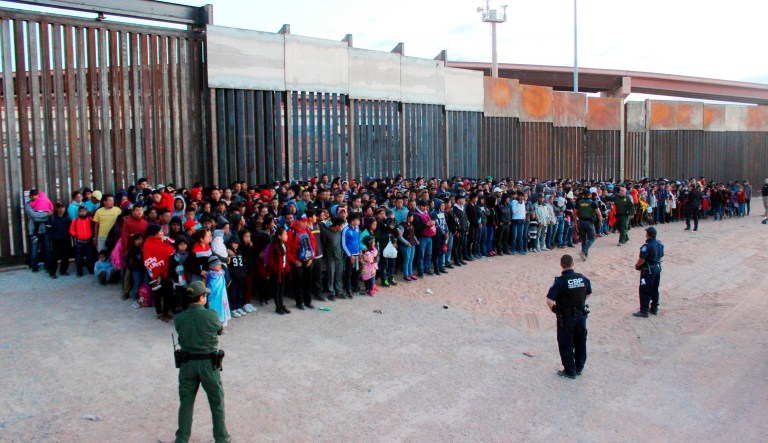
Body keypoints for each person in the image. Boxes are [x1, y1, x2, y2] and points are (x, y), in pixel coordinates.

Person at [173, 280, 230, 443]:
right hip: (208, 365)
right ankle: (221, 438)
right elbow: (218, 330)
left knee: (186, 403)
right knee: (216, 402)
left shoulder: (179, 318)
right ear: (201, 297)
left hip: (187, 364)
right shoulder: (212, 315)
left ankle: (182, 439)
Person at [546, 254, 592, 380]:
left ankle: (570, 371)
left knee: (566, 343)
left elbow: (549, 301)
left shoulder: (560, 281)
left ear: (561, 265)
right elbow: (589, 293)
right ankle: (579, 368)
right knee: (580, 342)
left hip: (566, 318)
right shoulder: (582, 278)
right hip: (581, 315)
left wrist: (556, 310)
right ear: (573, 264)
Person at [633, 227, 665, 318]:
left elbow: (642, 259)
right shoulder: (660, 244)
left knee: (645, 289)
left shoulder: (646, 246)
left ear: (648, 234)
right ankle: (654, 308)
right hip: (657, 267)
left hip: (648, 270)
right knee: (655, 288)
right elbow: (662, 255)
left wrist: (637, 265)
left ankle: (644, 310)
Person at [575, 190, 602, 261]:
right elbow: (599, 214)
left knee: (583, 238)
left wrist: (575, 222)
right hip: (589, 222)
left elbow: (574, 213)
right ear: (590, 195)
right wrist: (600, 221)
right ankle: (584, 250)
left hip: (581, 221)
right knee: (592, 238)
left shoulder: (579, 202)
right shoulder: (593, 203)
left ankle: (585, 254)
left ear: (583, 195)